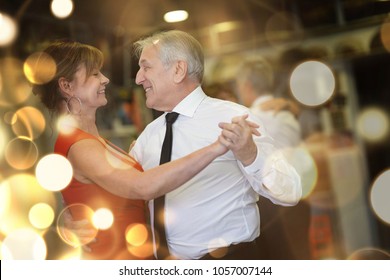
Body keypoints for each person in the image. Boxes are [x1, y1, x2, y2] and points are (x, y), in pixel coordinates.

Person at [31, 39, 251, 260]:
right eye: (95, 74)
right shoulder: (79, 146)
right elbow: (143, 187)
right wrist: (216, 147)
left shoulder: (95, 142)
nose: (105, 79)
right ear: (66, 86)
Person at [130, 30, 302, 260]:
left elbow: (290, 191)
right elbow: (128, 196)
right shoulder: (147, 137)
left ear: (178, 70)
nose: (138, 78)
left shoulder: (235, 118)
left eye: (146, 67)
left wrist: (250, 154)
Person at [234, 58, 311, 259]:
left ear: (246, 85)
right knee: (302, 255)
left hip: (271, 203)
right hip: (300, 196)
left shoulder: (249, 119)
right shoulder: (287, 113)